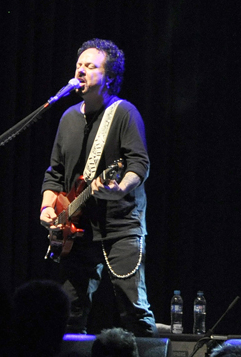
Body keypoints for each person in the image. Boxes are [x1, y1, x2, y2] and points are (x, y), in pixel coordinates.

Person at [39, 39, 155, 336]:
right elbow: (55, 173)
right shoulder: (67, 118)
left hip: (121, 226)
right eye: (79, 65)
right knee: (70, 312)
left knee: (133, 310)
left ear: (110, 78)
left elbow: (139, 164)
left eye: (91, 66)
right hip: (78, 228)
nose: (81, 71)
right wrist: (46, 208)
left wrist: (119, 189)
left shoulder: (124, 113)